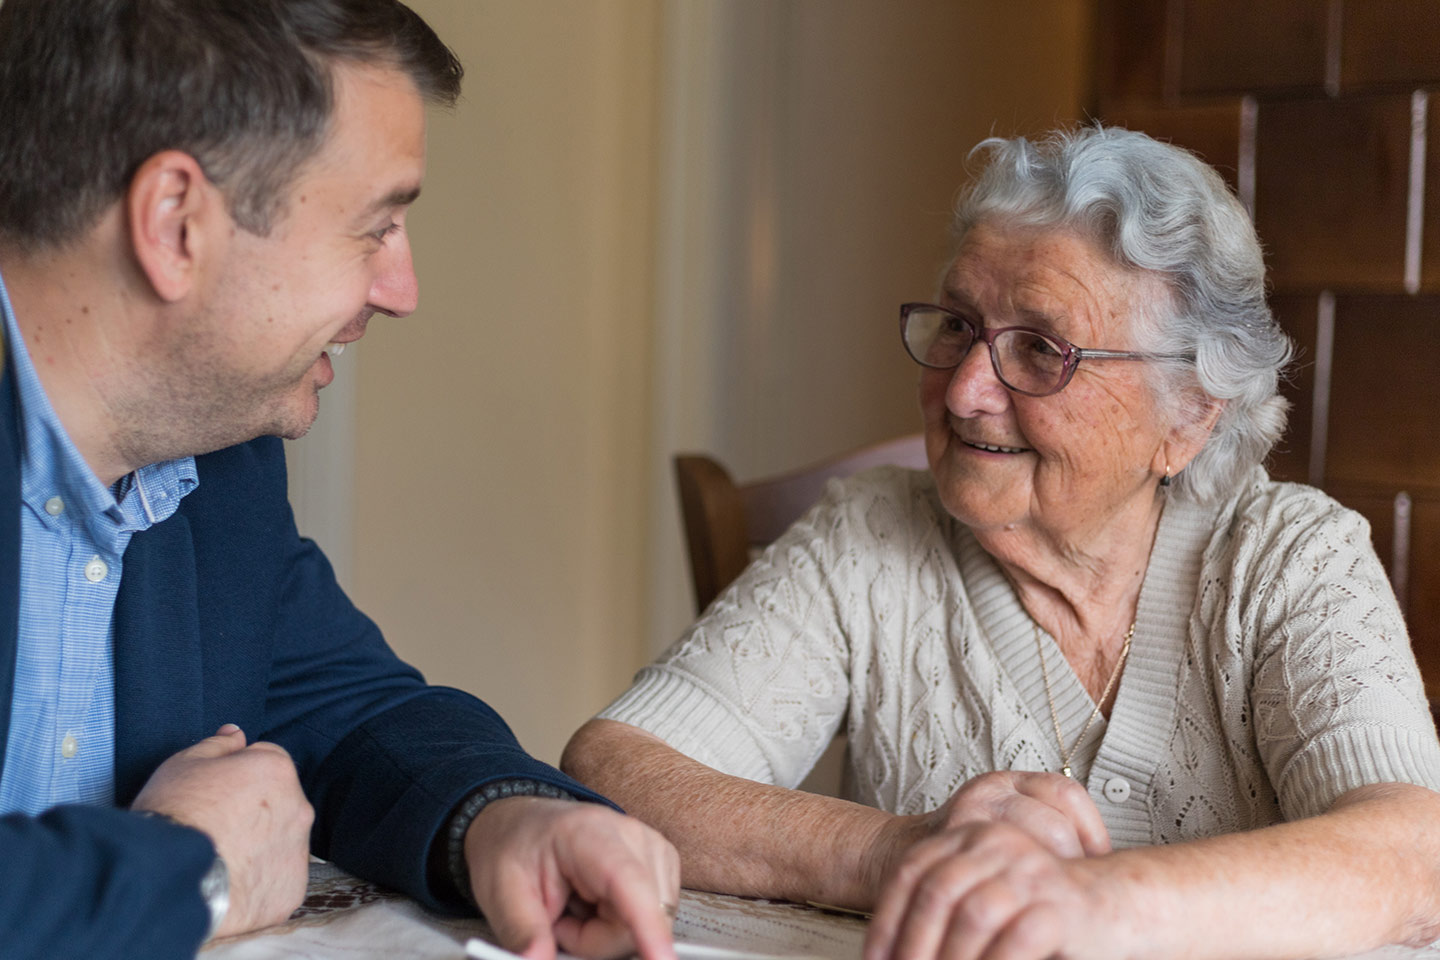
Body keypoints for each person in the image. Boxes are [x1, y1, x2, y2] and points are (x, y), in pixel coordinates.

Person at [562, 126, 1440, 960]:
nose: (965, 392)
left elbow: (1414, 854)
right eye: (957, 326)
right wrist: (899, 851)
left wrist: (1094, 905)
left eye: (1040, 348)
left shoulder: (1290, 559)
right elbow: (615, 768)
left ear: (1189, 417)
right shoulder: (871, 535)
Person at [0, 2, 678, 959]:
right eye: (376, 226)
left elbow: (346, 708)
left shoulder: (217, 459)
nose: (402, 291)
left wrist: (507, 819)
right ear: (176, 223)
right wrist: (183, 866)